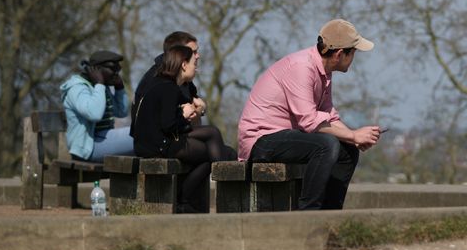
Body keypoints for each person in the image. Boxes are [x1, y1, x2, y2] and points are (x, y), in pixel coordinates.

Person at [237, 19, 382, 210]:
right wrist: (354, 134)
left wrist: (353, 139)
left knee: (348, 151)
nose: (354, 58)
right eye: (353, 52)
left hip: (286, 138)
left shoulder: (324, 72)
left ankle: (330, 213)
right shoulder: (301, 67)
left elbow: (329, 115)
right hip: (261, 140)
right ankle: (308, 214)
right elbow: (309, 122)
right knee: (326, 144)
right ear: (339, 54)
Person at [131, 45, 235, 213]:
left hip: (159, 140)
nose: (197, 68)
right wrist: (184, 116)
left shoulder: (168, 85)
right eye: (194, 63)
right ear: (184, 65)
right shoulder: (168, 88)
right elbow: (168, 124)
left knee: (213, 135)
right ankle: (192, 197)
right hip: (157, 145)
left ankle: (186, 198)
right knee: (217, 151)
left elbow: (171, 119)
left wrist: (193, 111)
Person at [60, 50, 134, 162]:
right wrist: (99, 84)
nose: (116, 73)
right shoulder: (77, 88)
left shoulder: (100, 87)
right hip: (88, 147)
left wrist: (119, 88)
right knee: (140, 136)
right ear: (96, 69)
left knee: (142, 133)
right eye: (113, 69)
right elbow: (94, 114)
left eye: (118, 70)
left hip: (104, 139)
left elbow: (121, 112)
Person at [137, 31, 207, 123]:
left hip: (172, 132)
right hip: (157, 135)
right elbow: (171, 122)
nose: (197, 56)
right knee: (212, 133)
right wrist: (199, 110)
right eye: (193, 52)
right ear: (178, 53)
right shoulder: (160, 80)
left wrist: (197, 110)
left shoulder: (180, 77)